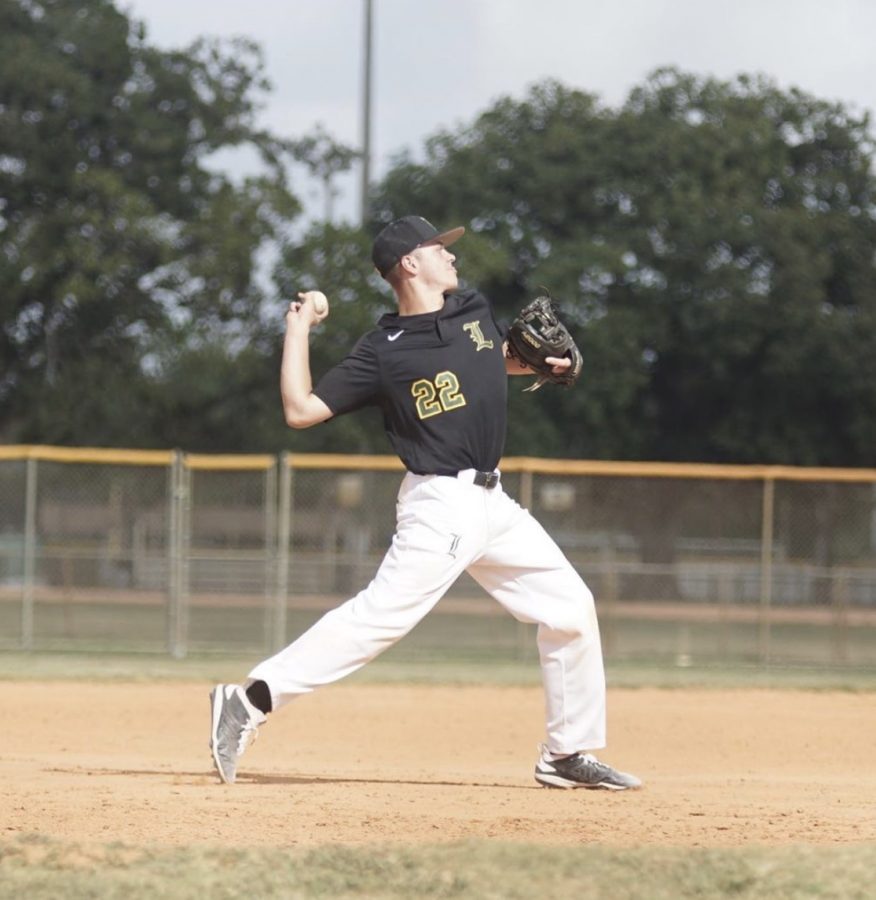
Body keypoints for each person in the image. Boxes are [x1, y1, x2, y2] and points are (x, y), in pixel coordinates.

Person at [209, 215, 641, 791]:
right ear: (410, 263)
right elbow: (301, 410)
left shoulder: (473, 312)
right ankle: (248, 701)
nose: (452, 256)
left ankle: (564, 755)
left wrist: (536, 363)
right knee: (381, 617)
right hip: (440, 502)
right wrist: (297, 327)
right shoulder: (383, 352)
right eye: (440, 248)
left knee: (570, 609)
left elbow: (489, 363)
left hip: (494, 502)